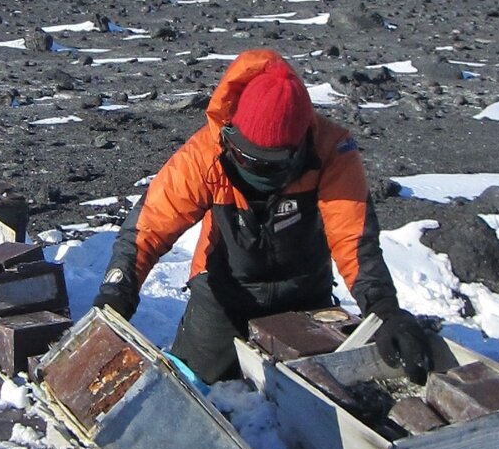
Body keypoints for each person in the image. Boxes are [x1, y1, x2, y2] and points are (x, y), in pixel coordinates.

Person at [93, 48, 432, 385]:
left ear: (299, 147)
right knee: (193, 385)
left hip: (305, 295)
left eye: (272, 164)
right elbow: (148, 227)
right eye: (247, 158)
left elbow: (354, 238)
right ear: (231, 136)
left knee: (319, 397)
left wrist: (384, 309)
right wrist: (116, 293)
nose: (256, 170)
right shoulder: (205, 155)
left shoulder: (331, 151)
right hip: (224, 294)